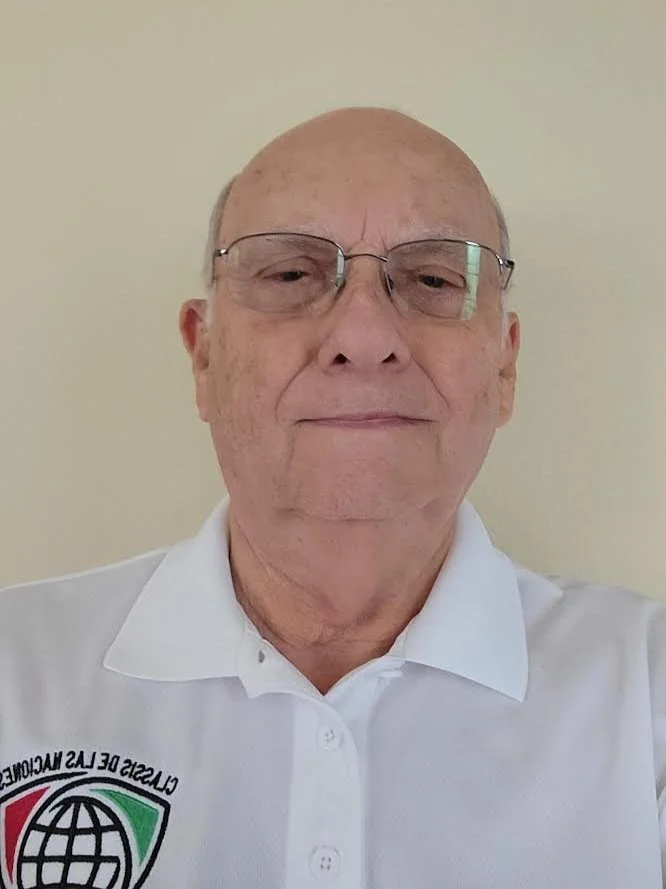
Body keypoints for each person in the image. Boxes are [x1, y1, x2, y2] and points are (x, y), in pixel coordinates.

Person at [1, 107, 664, 889]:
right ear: (203, 355)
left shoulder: (645, 693)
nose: (364, 332)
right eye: (290, 274)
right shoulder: (15, 671)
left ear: (505, 366)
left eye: (432, 278)